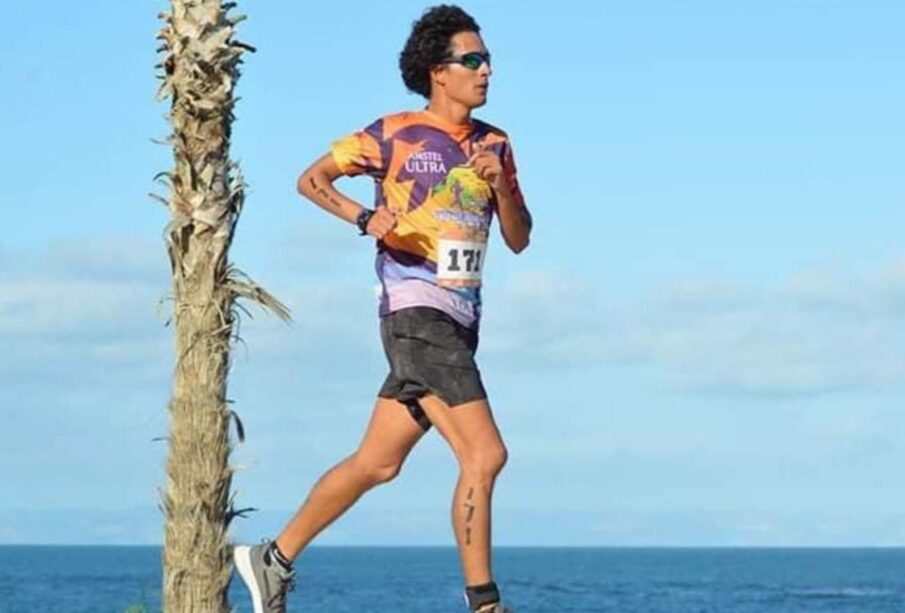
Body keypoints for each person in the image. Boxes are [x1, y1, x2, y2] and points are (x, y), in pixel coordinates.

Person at [233, 5, 532, 611]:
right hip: (415, 313)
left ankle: (273, 557)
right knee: (485, 454)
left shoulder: (495, 143)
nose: (486, 70)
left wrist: (499, 183)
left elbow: (520, 237)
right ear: (437, 72)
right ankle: (484, 602)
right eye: (471, 60)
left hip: (459, 318)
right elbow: (311, 180)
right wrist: (367, 218)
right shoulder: (394, 132)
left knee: (378, 464)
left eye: (488, 59)